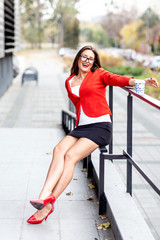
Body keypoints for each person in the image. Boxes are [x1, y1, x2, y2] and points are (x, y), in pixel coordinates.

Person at [27, 45, 159, 224]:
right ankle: (44, 194)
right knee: (58, 150)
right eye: (84, 57)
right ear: (78, 58)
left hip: (100, 126)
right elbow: (80, 103)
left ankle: (49, 203)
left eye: (90, 58)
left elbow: (118, 79)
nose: (86, 61)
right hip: (81, 127)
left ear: (94, 62)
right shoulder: (69, 81)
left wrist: (141, 82)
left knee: (71, 156)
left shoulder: (99, 74)